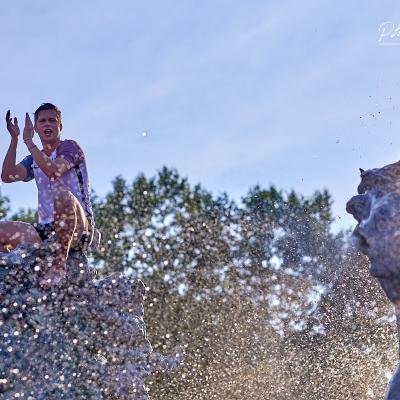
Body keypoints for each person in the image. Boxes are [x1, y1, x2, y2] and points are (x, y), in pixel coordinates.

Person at [1, 103, 95, 289]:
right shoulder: (35, 158)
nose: (47, 125)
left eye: (52, 120)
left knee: (63, 196)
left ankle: (59, 267)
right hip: (44, 234)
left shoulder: (70, 147)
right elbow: (7, 176)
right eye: (42, 121)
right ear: (36, 128)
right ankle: (11, 274)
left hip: (78, 228)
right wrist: (15, 139)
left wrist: (29, 142)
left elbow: (53, 170)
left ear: (60, 126)